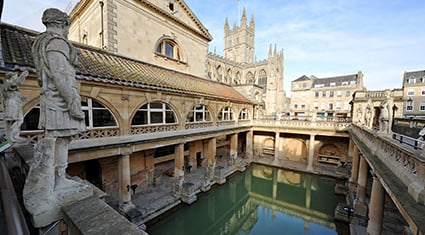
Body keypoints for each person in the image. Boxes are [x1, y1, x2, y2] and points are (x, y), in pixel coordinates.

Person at [31, 8, 85, 190]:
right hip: (59, 100)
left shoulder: (41, 42)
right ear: (62, 24)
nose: (68, 31)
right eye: (67, 26)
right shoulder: (56, 42)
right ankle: (59, 181)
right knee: (60, 139)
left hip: (53, 97)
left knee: (59, 139)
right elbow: (60, 73)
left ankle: (56, 179)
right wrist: (73, 103)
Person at [1, 71, 28, 143]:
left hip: (15, 104)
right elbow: (16, 83)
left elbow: (15, 95)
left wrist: (22, 98)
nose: (15, 79)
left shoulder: (11, 85)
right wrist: (22, 76)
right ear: (11, 77)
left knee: (14, 121)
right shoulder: (7, 83)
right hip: (11, 105)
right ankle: (12, 135)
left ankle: (12, 135)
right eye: (15, 77)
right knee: (17, 120)